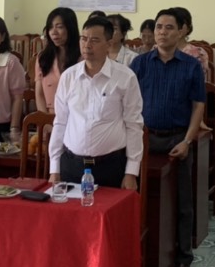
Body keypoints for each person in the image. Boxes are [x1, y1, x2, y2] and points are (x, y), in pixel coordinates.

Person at [130, 8, 206, 267]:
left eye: (169, 27)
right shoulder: (139, 64)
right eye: (159, 27)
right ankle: (139, 254)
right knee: (139, 198)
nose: (162, 32)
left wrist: (187, 140)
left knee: (182, 201)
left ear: (181, 31)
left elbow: (198, 106)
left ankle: (183, 258)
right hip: (144, 139)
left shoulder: (191, 65)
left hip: (177, 140)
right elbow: (127, 104)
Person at [48, 14, 145, 190]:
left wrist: (131, 172)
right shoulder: (69, 76)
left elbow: (134, 125)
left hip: (110, 166)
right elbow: (60, 122)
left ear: (109, 44)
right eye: (84, 39)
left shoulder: (125, 77)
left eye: (94, 40)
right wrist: (54, 168)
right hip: (72, 165)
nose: (87, 45)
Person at [34, 7, 80, 114]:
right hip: (49, 116)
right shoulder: (43, 57)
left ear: (71, 28)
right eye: (50, 27)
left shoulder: (82, 57)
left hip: (75, 117)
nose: (53, 32)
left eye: (59, 27)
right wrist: (45, 120)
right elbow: (39, 94)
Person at [173, 7, 211, 81]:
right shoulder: (157, 50)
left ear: (188, 27)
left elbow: (198, 81)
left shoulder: (198, 53)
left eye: (180, 24)